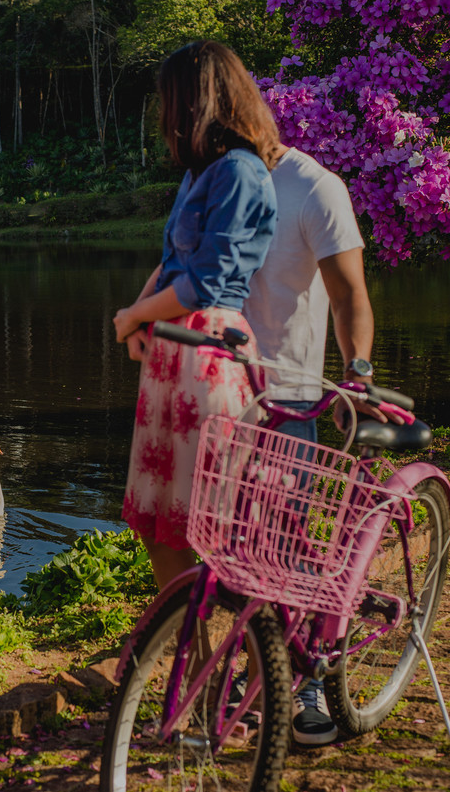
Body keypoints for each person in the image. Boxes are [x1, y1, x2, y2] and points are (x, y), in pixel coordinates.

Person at [242, 141, 401, 745]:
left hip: (290, 398)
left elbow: (349, 294)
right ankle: (255, 666)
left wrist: (356, 376)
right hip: (222, 393)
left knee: (284, 545)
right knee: (231, 545)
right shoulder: (216, 177)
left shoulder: (315, 187)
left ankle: (306, 680)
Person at [112, 40, 280, 592]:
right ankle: (194, 664)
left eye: (168, 99)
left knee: (217, 522)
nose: (163, 113)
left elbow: (207, 281)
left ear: (194, 100)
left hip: (209, 353)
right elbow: (172, 264)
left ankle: (262, 668)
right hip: (172, 352)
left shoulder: (241, 171)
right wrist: (139, 319)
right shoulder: (199, 174)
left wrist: (135, 314)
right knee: (159, 524)